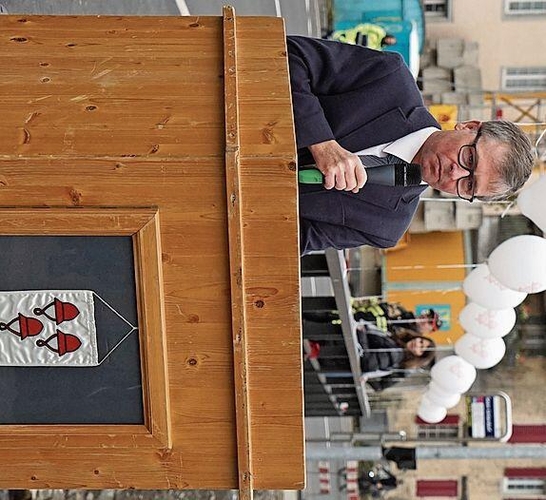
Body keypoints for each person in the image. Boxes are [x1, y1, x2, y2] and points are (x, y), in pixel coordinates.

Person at [287, 36, 535, 254]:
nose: (454, 173)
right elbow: (291, 54)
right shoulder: (389, 78)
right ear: (469, 126)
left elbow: (289, 242)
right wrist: (321, 142)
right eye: (469, 159)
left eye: (469, 184)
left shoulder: (386, 226)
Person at [358, 326, 435, 391]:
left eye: (421, 349)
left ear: (419, 357)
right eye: (421, 341)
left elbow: (380, 385)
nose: (417, 344)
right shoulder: (397, 335)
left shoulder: (398, 359)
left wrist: (368, 376)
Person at [330, 23, 397, 50]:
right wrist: (357, 29)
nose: (388, 41)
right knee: (335, 35)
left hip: (354, 44)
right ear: (389, 36)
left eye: (390, 42)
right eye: (390, 39)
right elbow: (368, 27)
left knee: (337, 45)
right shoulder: (381, 32)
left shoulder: (379, 48)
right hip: (356, 35)